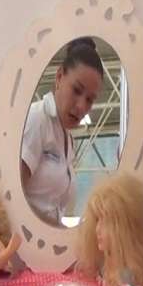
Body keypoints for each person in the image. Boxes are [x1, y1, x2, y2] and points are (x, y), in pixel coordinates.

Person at [21, 38, 104, 225]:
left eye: (90, 100)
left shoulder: (67, 139)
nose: (81, 106)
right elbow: (13, 200)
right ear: (59, 77)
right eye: (76, 90)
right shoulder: (37, 118)